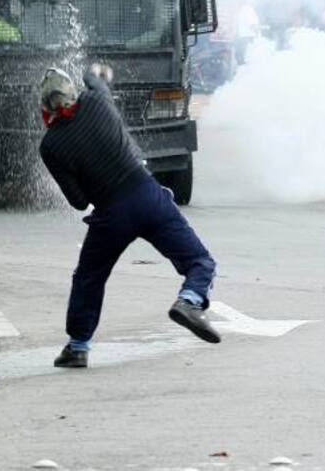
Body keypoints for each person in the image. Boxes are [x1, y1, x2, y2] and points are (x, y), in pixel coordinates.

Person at [39, 64, 220, 369]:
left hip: (109, 214)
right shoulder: (96, 102)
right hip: (148, 195)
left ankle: (78, 346)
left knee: (89, 277)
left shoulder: (51, 146)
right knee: (199, 261)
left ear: (46, 110)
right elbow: (95, 79)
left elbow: (79, 201)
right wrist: (95, 72)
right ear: (74, 95)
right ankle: (189, 301)